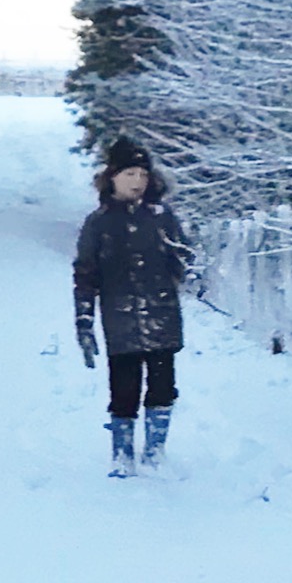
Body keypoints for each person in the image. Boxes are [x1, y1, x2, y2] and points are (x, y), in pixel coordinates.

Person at [71, 134, 192, 476]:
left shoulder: (163, 217)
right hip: (119, 319)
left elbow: (185, 257)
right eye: (129, 175)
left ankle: (155, 452)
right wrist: (84, 322)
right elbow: (85, 274)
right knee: (123, 389)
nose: (137, 182)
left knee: (162, 386)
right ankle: (122, 454)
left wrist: (187, 270)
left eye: (142, 174)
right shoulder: (99, 223)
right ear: (112, 177)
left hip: (162, 316)